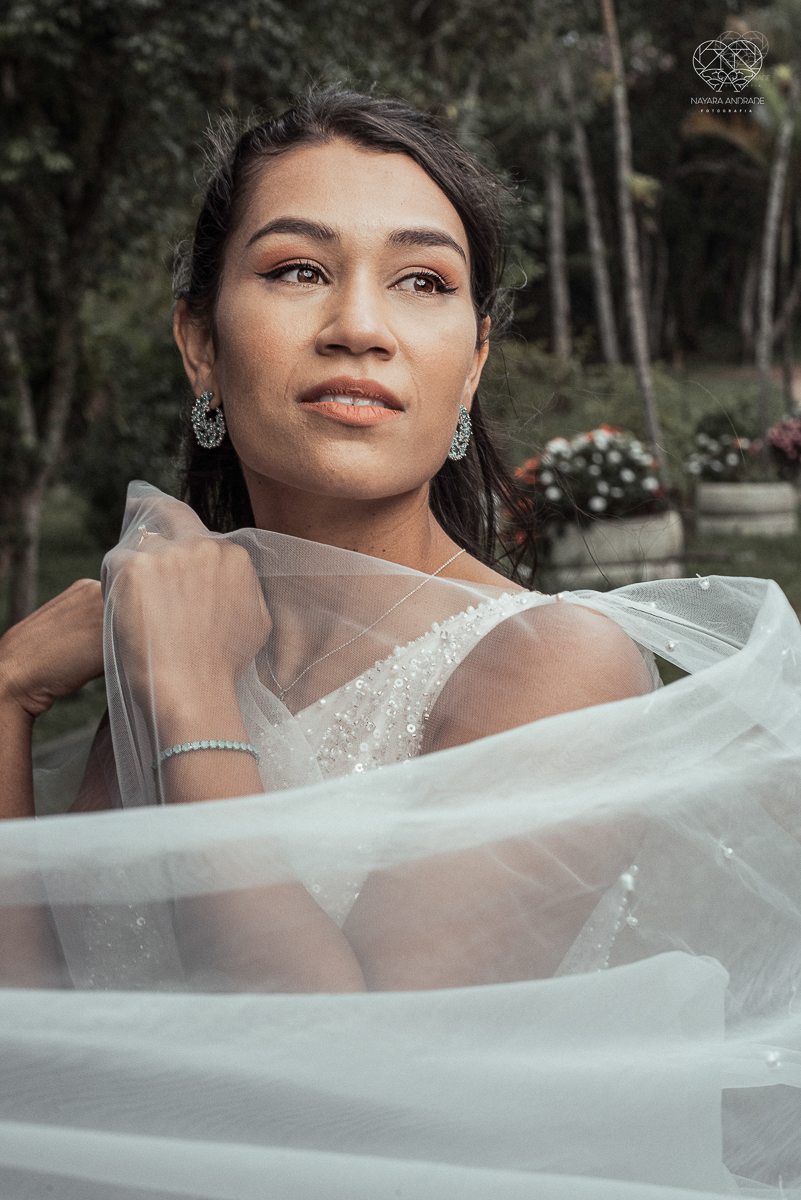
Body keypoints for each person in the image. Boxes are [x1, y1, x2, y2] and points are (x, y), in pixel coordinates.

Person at [0, 90, 800, 1199]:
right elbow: (35, 1052)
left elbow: (347, 1101)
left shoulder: (553, 663)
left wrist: (189, 696)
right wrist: (6, 700)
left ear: (472, 362)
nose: (359, 326)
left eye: (421, 281)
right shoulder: (173, 622)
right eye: (296, 270)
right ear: (198, 342)